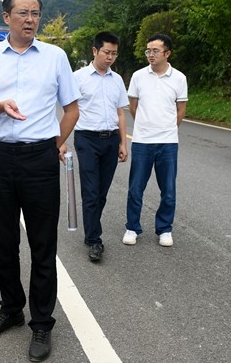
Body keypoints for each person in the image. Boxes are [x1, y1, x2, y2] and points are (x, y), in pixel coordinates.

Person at [0, 0, 80, 363]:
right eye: (23, 13)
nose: (30, 19)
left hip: (40, 159)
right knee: (3, 239)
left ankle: (41, 322)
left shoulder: (55, 57)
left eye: (36, 13)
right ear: (6, 17)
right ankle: (11, 307)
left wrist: (53, 144)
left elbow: (72, 109)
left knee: (43, 243)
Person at [123, 34, 187, 247]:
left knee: (168, 189)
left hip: (168, 142)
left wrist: (168, 129)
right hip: (142, 141)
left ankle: (165, 229)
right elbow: (133, 106)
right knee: (135, 188)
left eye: (155, 51)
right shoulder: (138, 76)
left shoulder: (179, 78)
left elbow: (180, 109)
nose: (150, 54)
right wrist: (145, 125)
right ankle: (132, 227)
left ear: (167, 53)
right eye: (148, 51)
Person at [72, 31, 128, 262]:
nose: (110, 57)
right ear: (95, 51)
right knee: (91, 191)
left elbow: (120, 113)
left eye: (114, 53)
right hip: (86, 139)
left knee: (102, 193)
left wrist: (123, 142)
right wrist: (59, 140)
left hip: (110, 140)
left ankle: (91, 230)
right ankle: (94, 239)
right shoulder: (78, 77)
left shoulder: (117, 80)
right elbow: (69, 110)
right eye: (106, 52)